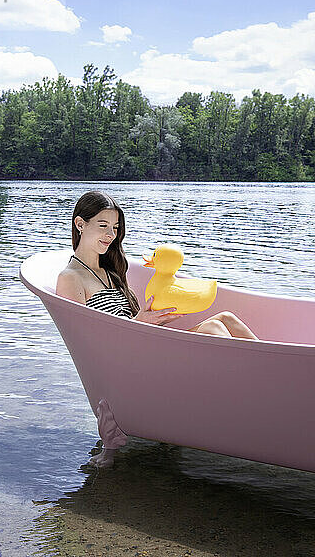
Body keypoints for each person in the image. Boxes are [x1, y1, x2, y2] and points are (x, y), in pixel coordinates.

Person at [56, 190, 259, 467]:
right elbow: (86, 340)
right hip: (126, 363)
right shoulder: (70, 278)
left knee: (224, 318)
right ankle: (253, 392)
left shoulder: (110, 271)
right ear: (80, 224)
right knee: (213, 330)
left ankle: (266, 375)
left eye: (115, 228)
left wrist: (150, 317)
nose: (110, 235)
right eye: (102, 226)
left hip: (145, 346)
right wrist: (139, 324)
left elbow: (125, 320)